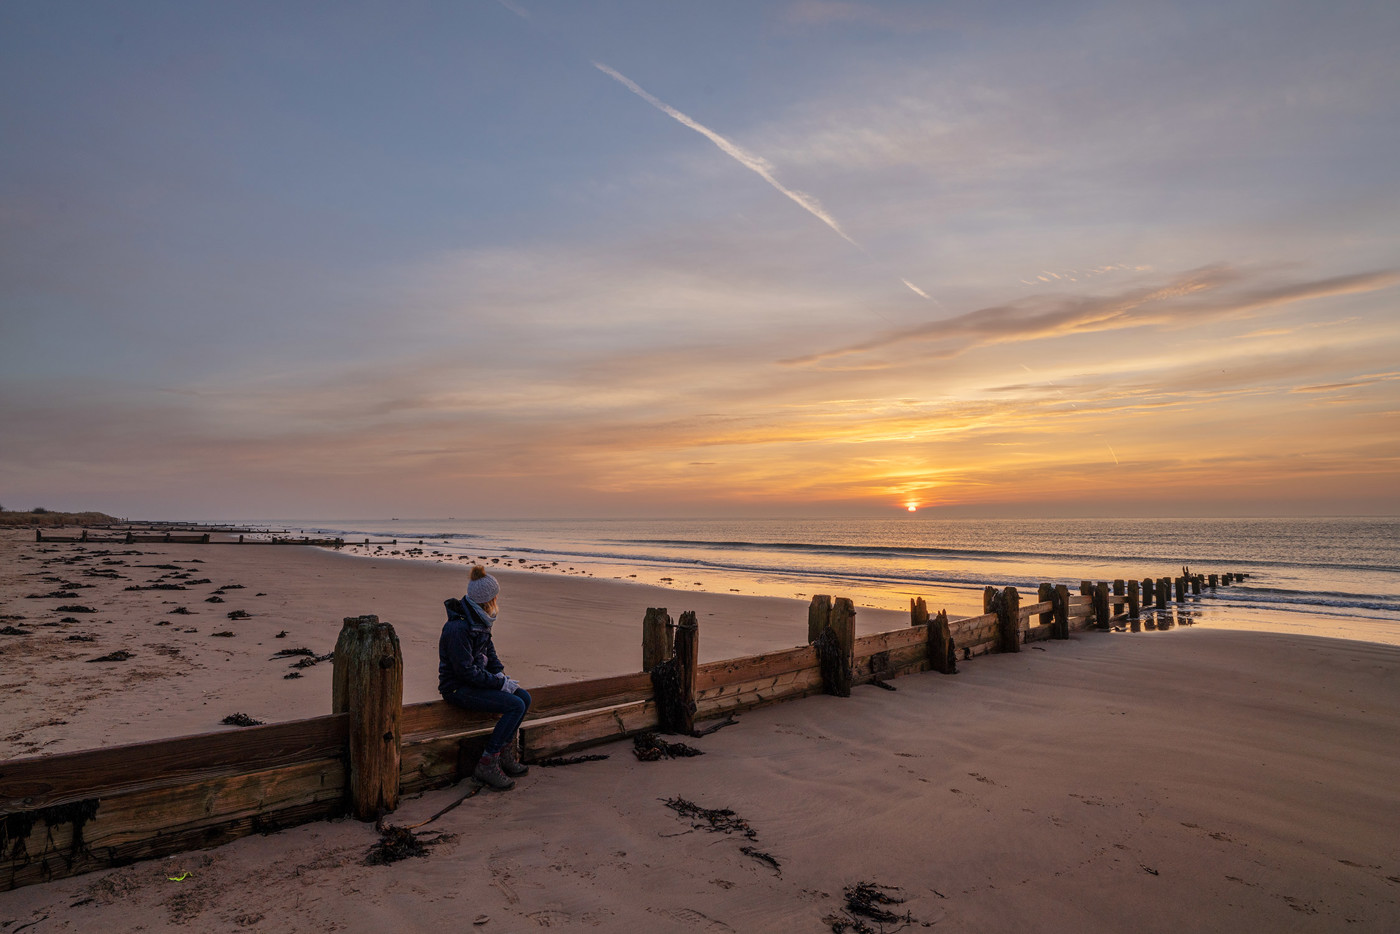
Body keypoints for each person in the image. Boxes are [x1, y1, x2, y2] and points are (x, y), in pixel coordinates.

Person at [439, 565, 531, 790]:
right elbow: (465, 672)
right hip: (458, 688)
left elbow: (489, 652)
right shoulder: (458, 628)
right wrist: (499, 683)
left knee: (524, 698)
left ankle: (505, 754)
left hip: (477, 680)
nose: (497, 599)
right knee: (515, 705)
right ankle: (487, 762)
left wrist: (500, 674)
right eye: (495, 596)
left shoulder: (479, 619)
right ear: (487, 600)